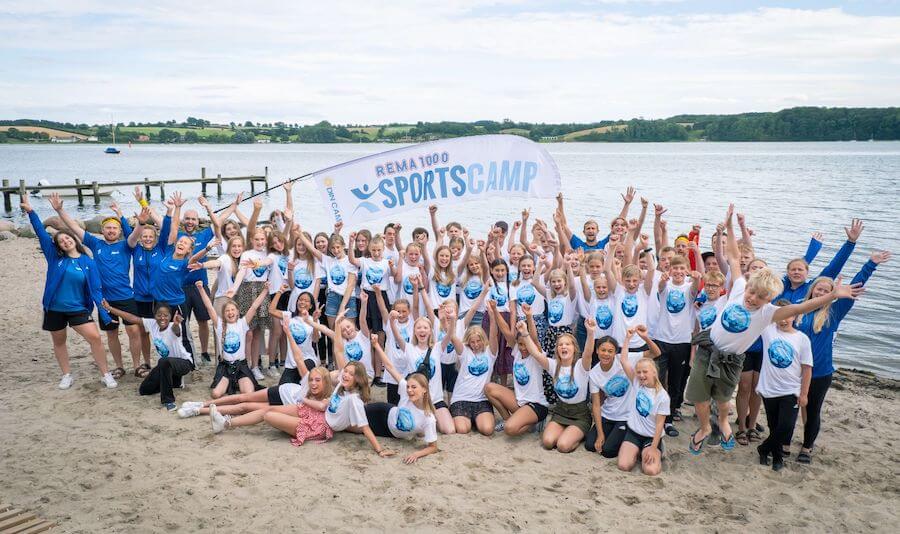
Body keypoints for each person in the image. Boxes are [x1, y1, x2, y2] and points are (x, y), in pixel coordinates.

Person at [684, 204, 863, 455]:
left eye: (760, 297)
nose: (752, 298)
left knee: (723, 400)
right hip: (707, 348)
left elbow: (802, 307)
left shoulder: (769, 313)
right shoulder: (738, 288)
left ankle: (723, 422)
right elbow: (734, 257)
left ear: (768, 300)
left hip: (731, 360)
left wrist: (833, 295)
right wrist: (730, 225)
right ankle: (704, 428)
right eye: (752, 292)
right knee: (699, 397)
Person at [790, 250, 889, 463]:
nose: (821, 292)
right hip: (793, 370)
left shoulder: (835, 312)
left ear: (833, 293)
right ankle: (784, 442)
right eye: (819, 289)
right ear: (812, 290)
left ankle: (807, 447)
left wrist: (870, 264)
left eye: (826, 290)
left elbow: (855, 286)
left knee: (812, 410)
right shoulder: (799, 310)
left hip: (820, 371)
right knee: (791, 409)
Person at [22, 192, 117, 389]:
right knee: (59, 340)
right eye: (61, 241)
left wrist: (104, 313)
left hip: (77, 308)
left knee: (95, 338)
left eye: (67, 238)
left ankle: (106, 374)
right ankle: (66, 375)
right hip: (54, 308)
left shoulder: (87, 262)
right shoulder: (55, 258)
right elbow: (41, 232)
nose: (65, 242)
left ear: (74, 239)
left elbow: (96, 289)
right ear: (58, 246)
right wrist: (31, 212)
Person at [49, 194, 143, 381]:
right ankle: (119, 367)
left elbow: (134, 235)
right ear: (102, 230)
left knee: (134, 331)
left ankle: (137, 366)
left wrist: (139, 222)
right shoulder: (95, 243)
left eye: (114, 228)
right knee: (111, 333)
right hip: (103, 299)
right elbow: (74, 227)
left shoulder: (126, 245)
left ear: (119, 231)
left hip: (125, 295)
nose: (111, 230)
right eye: (108, 227)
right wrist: (59, 210)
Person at [516, 318, 592, 453]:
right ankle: (566, 433)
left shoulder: (581, 366)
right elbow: (536, 354)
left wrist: (590, 333)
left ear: (574, 348)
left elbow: (588, 353)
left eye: (567, 344)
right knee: (548, 442)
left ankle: (576, 435)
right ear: (557, 349)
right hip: (561, 411)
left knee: (563, 446)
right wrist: (525, 333)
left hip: (580, 415)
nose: (563, 347)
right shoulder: (554, 365)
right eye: (560, 345)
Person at [586, 323, 660, 458]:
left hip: (626, 416)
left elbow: (656, 353)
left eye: (610, 351)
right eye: (603, 350)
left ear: (616, 352)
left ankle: (634, 440)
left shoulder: (626, 359)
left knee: (608, 451)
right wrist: (600, 434)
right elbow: (596, 405)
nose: (606, 354)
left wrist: (645, 337)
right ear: (597, 350)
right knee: (590, 445)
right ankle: (612, 435)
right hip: (607, 414)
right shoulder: (594, 373)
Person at [103, 300, 193, 410]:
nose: (162, 318)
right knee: (144, 390)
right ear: (155, 316)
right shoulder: (152, 324)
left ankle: (168, 401)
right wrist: (110, 308)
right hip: (164, 367)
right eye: (159, 315)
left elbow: (176, 330)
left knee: (164, 361)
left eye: (166, 315)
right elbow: (131, 318)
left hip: (183, 364)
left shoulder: (172, 326)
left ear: (170, 316)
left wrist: (176, 323)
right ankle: (175, 382)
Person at [756, 300, 813, 471]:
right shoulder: (768, 330)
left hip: (791, 390)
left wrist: (804, 394)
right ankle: (777, 457)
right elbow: (760, 307)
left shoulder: (802, 339)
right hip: (769, 388)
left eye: (788, 315)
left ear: (794, 316)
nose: (783, 320)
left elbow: (807, 369)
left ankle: (764, 448)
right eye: (780, 316)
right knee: (774, 425)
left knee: (786, 426)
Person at [367, 338, 440, 463]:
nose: (409, 390)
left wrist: (417, 454)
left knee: (353, 426)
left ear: (424, 389)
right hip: (383, 411)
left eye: (414, 387)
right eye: (408, 387)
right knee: (350, 419)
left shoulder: (429, 418)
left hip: (388, 432)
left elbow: (433, 447)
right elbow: (390, 367)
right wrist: (376, 345)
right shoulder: (406, 391)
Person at [484, 303, 549, 436]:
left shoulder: (536, 355)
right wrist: (495, 310)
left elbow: (535, 339)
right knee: (489, 388)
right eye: (520, 344)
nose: (523, 347)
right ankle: (508, 419)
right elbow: (505, 330)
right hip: (519, 401)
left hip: (536, 405)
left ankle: (533, 424)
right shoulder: (517, 352)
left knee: (510, 429)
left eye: (526, 345)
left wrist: (529, 317)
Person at [198, 280, 268, 397]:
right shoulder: (219, 325)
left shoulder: (242, 323)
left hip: (241, 365)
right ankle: (230, 382)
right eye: (227, 310)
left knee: (248, 392)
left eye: (232, 310)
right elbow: (209, 307)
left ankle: (237, 382)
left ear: (237, 312)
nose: (230, 312)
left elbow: (255, 306)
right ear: (223, 314)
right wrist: (201, 289)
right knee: (215, 393)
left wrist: (265, 290)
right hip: (225, 367)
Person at [616, 335, 670, 476]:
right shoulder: (636, 383)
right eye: (639, 372)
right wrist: (627, 338)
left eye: (645, 372)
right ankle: (636, 450)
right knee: (623, 465)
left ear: (654, 372)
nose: (641, 375)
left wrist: (653, 448)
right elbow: (623, 360)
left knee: (651, 470)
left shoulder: (662, 396)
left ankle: (657, 448)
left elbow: (659, 425)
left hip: (651, 437)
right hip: (634, 432)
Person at [226, 226, 274, 380]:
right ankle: (245, 365)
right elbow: (242, 272)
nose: (260, 242)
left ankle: (255, 366)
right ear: (252, 241)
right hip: (247, 291)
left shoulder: (269, 254)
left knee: (259, 332)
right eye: (257, 239)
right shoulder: (247, 253)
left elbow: (269, 262)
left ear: (265, 241)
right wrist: (234, 288)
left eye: (262, 239)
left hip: (263, 290)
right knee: (248, 332)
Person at [447, 305, 498, 436]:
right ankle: (467, 419)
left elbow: (494, 334)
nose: (475, 345)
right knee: (463, 430)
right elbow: (452, 337)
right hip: (461, 399)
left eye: (478, 341)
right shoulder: (465, 352)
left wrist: (492, 317)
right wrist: (451, 319)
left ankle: (478, 419)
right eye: (472, 342)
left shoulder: (490, 352)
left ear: (483, 340)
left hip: (481, 400)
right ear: (468, 342)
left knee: (487, 430)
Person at [268, 286, 319, 385]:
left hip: (308, 360)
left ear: (311, 306)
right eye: (300, 300)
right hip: (291, 363)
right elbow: (271, 310)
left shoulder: (313, 319)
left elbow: (316, 339)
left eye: (306, 301)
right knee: (282, 389)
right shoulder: (289, 316)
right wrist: (279, 291)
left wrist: (315, 322)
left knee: (302, 385)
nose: (302, 302)